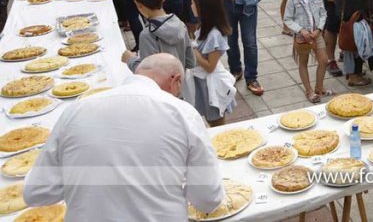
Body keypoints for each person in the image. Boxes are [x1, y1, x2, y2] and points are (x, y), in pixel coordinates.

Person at [24, 53, 224, 219]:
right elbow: (207, 198)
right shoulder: (183, 113)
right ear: (175, 80)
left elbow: (37, 192)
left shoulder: (75, 110)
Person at [123, 0, 195, 77]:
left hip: (161, 91)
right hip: (181, 86)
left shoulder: (148, 35)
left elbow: (147, 75)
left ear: (138, 4)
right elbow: (191, 62)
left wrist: (130, 60)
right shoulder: (180, 24)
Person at [189, 0, 236, 126]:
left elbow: (210, 66)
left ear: (203, 8)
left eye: (193, 3)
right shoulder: (203, 26)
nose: (190, 6)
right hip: (203, 81)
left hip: (212, 85)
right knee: (210, 119)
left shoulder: (214, 35)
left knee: (216, 122)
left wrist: (194, 53)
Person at [284, 0, 329, 103]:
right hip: (302, 37)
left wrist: (319, 29)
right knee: (303, 63)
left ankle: (319, 87)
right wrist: (301, 30)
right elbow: (287, 19)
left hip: (317, 34)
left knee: (324, 60)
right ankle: (309, 90)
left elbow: (323, 13)